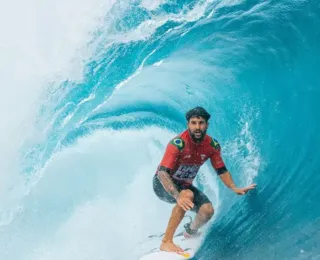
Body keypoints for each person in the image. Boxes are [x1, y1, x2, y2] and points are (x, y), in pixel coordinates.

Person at [152, 107, 257, 253]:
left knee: (207, 211)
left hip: (184, 185)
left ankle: (190, 231)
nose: (197, 127)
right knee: (187, 195)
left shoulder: (212, 146)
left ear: (207, 125)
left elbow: (221, 169)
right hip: (162, 185)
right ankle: (166, 242)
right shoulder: (178, 144)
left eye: (201, 123)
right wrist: (177, 196)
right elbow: (162, 173)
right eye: (193, 123)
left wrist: (234, 187)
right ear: (188, 124)